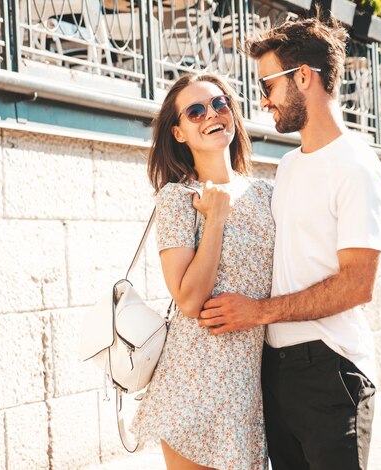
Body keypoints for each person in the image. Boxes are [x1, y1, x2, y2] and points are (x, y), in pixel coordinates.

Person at [197, 15, 381, 470]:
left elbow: (357, 285)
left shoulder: (357, 167)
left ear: (304, 77)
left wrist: (259, 311)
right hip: (277, 369)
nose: (263, 101)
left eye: (268, 85)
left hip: (333, 369)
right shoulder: (287, 167)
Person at [131, 72, 275, 470]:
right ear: (178, 133)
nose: (211, 114)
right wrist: (215, 220)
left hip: (250, 386)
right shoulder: (177, 199)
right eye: (195, 111)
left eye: (219, 103)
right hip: (194, 384)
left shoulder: (266, 194)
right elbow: (190, 300)